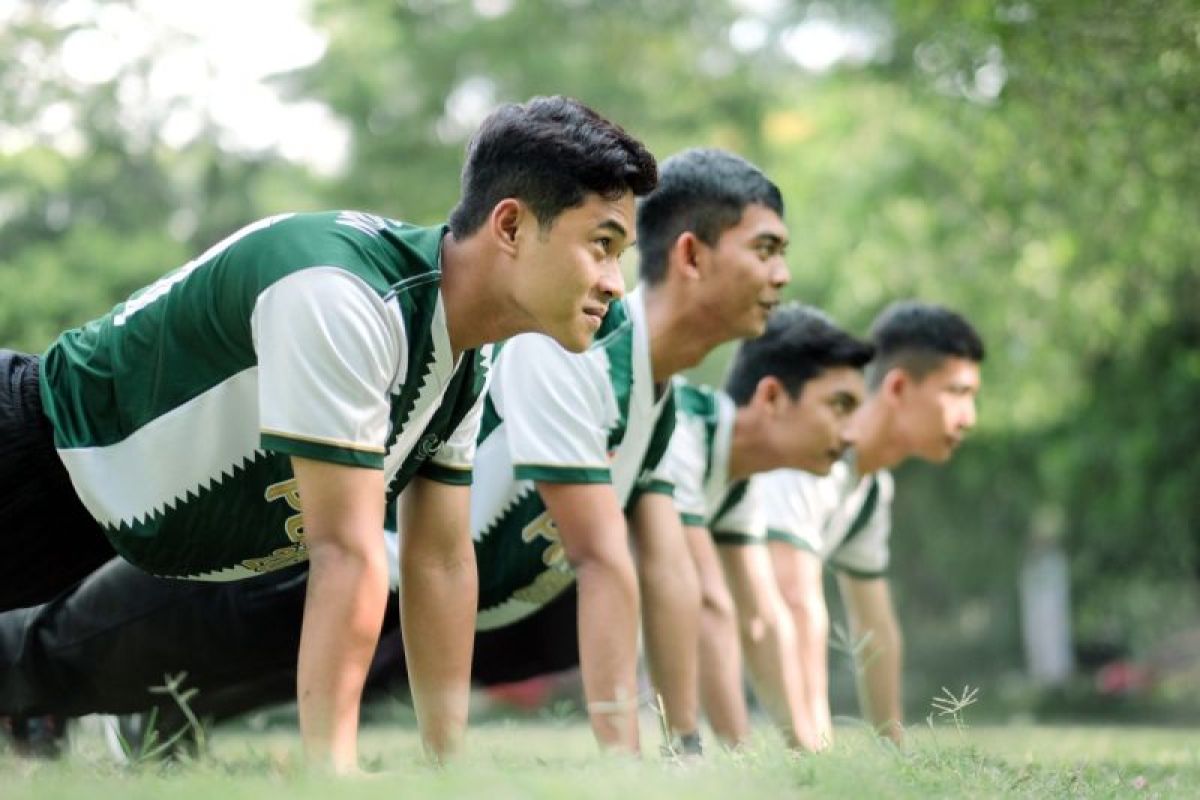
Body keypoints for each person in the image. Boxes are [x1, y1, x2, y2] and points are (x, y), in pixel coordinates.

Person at [0, 147, 789, 759]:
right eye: (602, 245)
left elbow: (449, 561)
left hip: (206, 538)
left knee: (96, 665)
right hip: (89, 471)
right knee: (51, 660)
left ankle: (130, 722)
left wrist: (449, 767)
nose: (615, 282)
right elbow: (361, 549)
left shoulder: (487, 362)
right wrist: (334, 771)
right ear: (511, 227)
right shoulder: (354, 293)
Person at [646, 305, 874, 750]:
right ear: (771, 398)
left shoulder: (737, 479)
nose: (851, 435)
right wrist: (742, 757)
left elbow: (761, 621)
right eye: (839, 406)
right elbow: (709, 604)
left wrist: (806, 752)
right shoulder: (684, 433)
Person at [760, 301, 984, 745]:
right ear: (897, 387)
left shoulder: (870, 488)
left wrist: (892, 748)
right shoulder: (811, 453)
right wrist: (814, 753)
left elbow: (874, 629)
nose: (969, 418)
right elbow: (796, 600)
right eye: (957, 393)